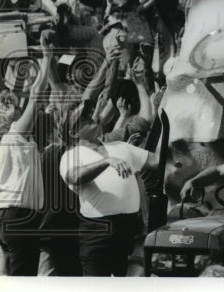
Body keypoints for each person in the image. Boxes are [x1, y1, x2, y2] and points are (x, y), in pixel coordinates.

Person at [59, 113, 160, 276]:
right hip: (98, 230)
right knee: (97, 290)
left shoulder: (121, 146)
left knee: (124, 287)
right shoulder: (70, 155)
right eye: (81, 120)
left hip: (128, 227)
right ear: (73, 133)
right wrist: (106, 161)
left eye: (87, 115)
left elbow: (157, 161)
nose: (89, 117)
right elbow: (74, 176)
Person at [0, 46, 49, 275]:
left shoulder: (4, 141)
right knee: (23, 276)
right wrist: (48, 57)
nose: (15, 104)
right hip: (19, 216)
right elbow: (36, 97)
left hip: (6, 214)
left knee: (6, 263)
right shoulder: (14, 136)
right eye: (6, 105)